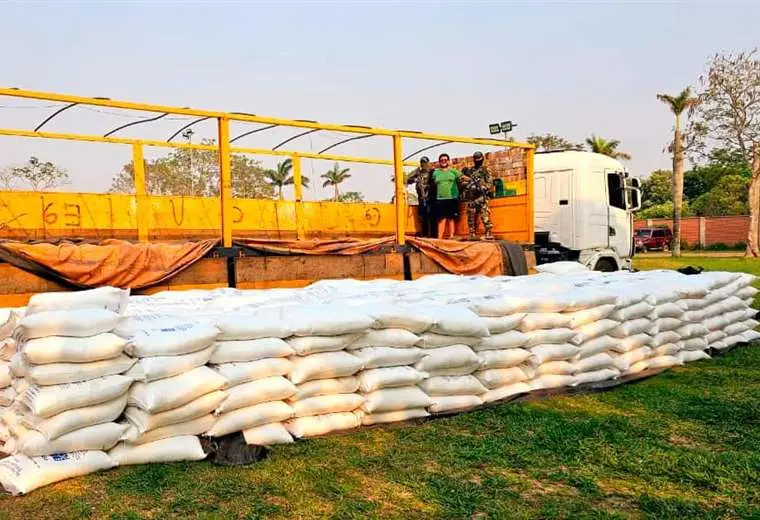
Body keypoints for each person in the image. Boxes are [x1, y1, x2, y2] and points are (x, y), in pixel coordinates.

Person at [463, 151, 494, 240]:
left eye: (479, 159)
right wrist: (467, 183)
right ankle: (472, 233)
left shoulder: (485, 170)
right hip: (472, 196)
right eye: (476, 159)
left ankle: (488, 232)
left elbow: (489, 183)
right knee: (470, 215)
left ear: (482, 159)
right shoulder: (470, 171)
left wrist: (483, 187)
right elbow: (464, 182)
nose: (478, 161)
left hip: (481, 196)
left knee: (484, 215)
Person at [431, 153, 463, 239]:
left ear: (448, 161)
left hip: (452, 198)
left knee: (451, 218)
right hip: (440, 199)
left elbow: (463, 178)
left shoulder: (454, 171)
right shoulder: (435, 173)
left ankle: (451, 237)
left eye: (445, 160)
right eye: (441, 160)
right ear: (439, 162)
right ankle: (439, 238)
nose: (443, 162)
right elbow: (433, 184)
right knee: (441, 219)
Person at [405, 156, 435, 237]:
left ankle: (432, 236)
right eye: (422, 163)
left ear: (428, 163)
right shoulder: (418, 172)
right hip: (421, 198)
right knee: (422, 217)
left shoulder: (432, 172)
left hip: (431, 198)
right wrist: (414, 179)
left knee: (431, 217)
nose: (424, 164)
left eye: (425, 162)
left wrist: (428, 186)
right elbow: (406, 179)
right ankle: (424, 235)